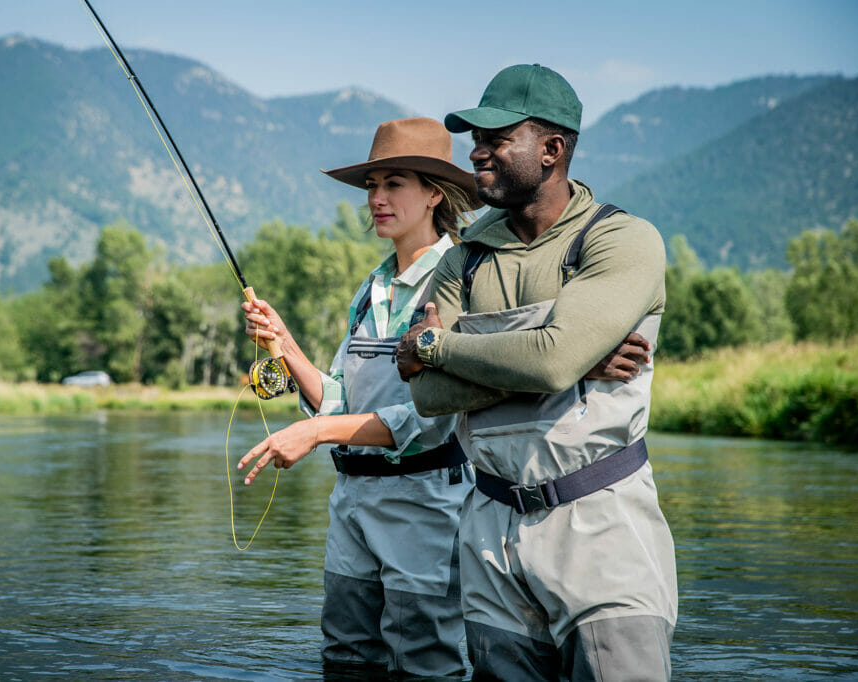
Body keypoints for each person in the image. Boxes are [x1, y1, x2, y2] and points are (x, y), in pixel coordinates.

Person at [238, 117, 656, 679]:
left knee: (423, 663)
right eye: (371, 186)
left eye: (393, 184)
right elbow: (337, 399)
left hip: (426, 502)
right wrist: (284, 344)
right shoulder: (372, 287)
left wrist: (313, 433)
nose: (377, 199)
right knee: (345, 657)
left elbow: (428, 416)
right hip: (352, 501)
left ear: (435, 193)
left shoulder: (461, 274)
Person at [396, 65, 678, 680]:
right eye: (476, 138)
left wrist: (441, 345)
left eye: (497, 139)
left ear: (552, 150)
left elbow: (537, 362)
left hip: (601, 525)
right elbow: (428, 396)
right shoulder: (465, 256)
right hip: (488, 534)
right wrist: (571, 357)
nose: (477, 153)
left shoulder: (623, 240)